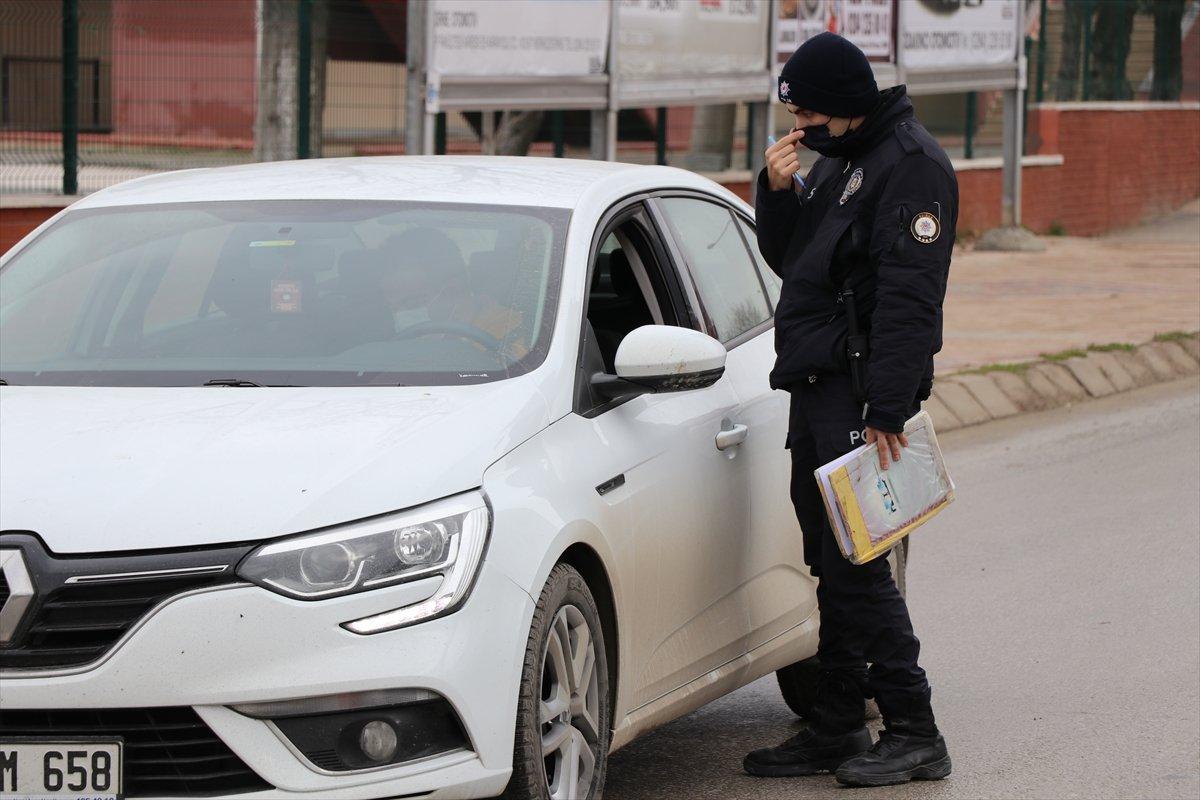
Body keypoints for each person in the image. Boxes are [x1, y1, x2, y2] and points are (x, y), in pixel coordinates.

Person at [742, 32, 956, 788]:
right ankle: (835, 724)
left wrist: (888, 409)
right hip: (818, 388)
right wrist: (772, 190)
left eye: (804, 113)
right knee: (830, 564)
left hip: (861, 397)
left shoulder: (909, 165)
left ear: (840, 105)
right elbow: (798, 261)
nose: (798, 128)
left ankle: (913, 727)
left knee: (860, 563)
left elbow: (909, 298)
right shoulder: (847, 159)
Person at [377, 227, 529, 361]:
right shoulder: (379, 345)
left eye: (411, 303)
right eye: (392, 307)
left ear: (451, 290)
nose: (398, 315)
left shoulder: (511, 334)